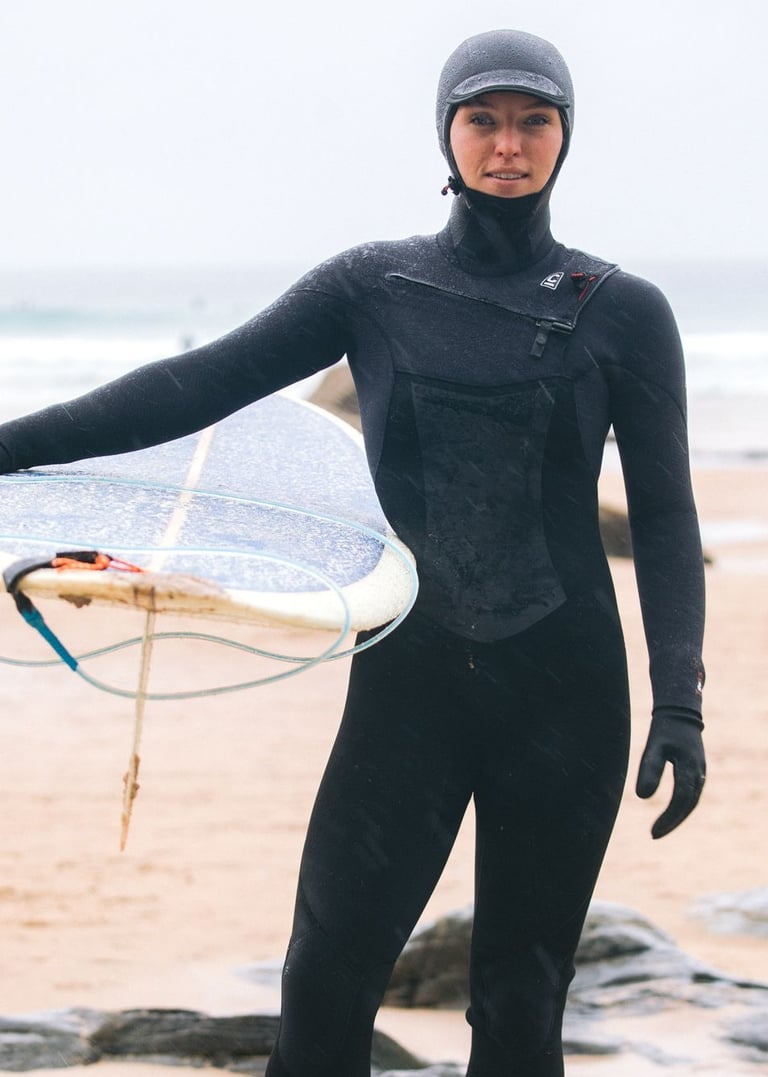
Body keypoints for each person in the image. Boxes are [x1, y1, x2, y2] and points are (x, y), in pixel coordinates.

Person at [0, 28, 706, 1077]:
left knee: (520, 1002)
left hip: (567, 697)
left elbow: (662, 520)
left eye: (533, 121)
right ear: (446, 132)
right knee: (324, 980)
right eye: (482, 119)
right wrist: (10, 449)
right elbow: (186, 390)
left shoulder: (625, 314)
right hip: (410, 690)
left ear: (564, 137)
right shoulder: (372, 288)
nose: (506, 145)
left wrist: (680, 703)